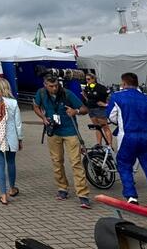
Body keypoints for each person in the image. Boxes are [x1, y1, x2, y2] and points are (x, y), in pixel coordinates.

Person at [107, 72, 147, 204]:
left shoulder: (117, 96)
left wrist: (122, 122)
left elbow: (111, 117)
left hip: (127, 136)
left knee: (124, 165)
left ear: (123, 83)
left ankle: (131, 196)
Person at [33, 74, 92, 209]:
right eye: (51, 86)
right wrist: (43, 118)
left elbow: (85, 109)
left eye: (56, 85)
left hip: (70, 131)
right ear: (45, 85)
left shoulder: (67, 93)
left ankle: (83, 194)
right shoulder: (41, 93)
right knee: (57, 161)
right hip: (54, 131)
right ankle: (62, 188)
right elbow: (35, 106)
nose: (54, 88)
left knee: (76, 162)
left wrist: (76, 111)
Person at [82, 72, 114, 147]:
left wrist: (106, 104)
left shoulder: (100, 87)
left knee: (105, 127)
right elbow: (86, 95)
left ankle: (109, 146)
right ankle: (99, 144)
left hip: (99, 109)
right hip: (91, 109)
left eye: (89, 79)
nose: (87, 81)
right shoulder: (87, 87)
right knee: (97, 127)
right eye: (86, 79)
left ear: (94, 79)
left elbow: (111, 96)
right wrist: (87, 100)